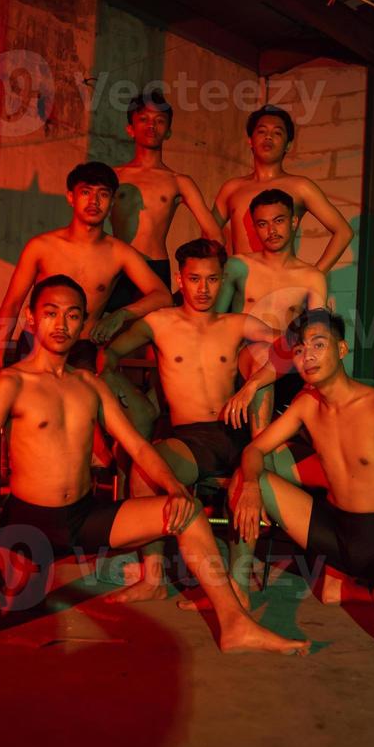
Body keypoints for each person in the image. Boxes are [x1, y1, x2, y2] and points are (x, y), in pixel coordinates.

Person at [0, 274, 307, 656]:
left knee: (187, 514)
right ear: (32, 319)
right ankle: (23, 567)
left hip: (85, 515)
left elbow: (138, 447)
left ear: (82, 322)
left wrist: (175, 489)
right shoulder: (10, 385)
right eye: (51, 313)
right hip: (30, 522)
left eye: (72, 315)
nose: (62, 324)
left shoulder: (90, 385)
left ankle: (235, 625)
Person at [225, 308, 374, 656]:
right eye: (298, 350)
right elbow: (254, 449)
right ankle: (237, 590)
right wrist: (250, 486)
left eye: (318, 345)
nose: (307, 356)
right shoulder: (306, 404)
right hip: (336, 533)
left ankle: (357, 588)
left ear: (341, 349)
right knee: (244, 476)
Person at [98, 238, 280, 603]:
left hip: (237, 429)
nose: (203, 288)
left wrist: (250, 387)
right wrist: (129, 402)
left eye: (212, 279)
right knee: (146, 471)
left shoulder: (236, 323)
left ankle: (237, 585)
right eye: (194, 279)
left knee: (262, 354)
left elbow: (290, 348)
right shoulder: (159, 323)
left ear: (222, 279)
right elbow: (108, 357)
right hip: (191, 439)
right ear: (180, 280)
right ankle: (152, 578)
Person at [0, 161, 170, 437]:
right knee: (32, 423)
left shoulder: (119, 252)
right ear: (71, 197)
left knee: (106, 419)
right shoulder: (42, 246)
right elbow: (12, 304)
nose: (94, 201)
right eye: (86, 192)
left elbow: (162, 295)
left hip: (84, 347)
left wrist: (121, 315)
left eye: (103, 194)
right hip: (36, 345)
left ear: (111, 204)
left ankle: (102, 471)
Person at [216, 187, 327, 430]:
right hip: (242, 362)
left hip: (289, 366)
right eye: (263, 224)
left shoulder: (311, 277)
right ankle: (260, 450)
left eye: (279, 221)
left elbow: (317, 335)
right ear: (255, 228)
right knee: (263, 349)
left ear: (294, 221)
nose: (272, 231)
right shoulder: (238, 266)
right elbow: (215, 322)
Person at [106, 89, 223, 312]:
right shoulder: (115, 177)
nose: (151, 126)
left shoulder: (178, 181)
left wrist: (193, 277)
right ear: (130, 129)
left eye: (159, 120)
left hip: (155, 266)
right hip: (116, 265)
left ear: (168, 131)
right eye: (143, 119)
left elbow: (215, 234)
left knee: (152, 338)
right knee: (108, 335)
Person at [212, 104, 353, 267]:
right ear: (250, 140)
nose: (268, 137)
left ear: (288, 145)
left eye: (277, 133)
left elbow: (343, 232)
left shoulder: (300, 187)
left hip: (281, 286)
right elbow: (209, 234)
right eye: (262, 131)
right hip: (242, 285)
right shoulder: (232, 188)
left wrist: (315, 275)